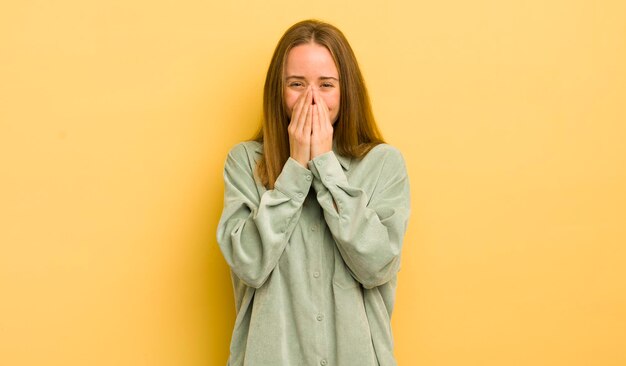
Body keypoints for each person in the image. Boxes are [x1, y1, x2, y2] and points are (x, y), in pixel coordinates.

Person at [216, 19, 410, 366]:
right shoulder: (244, 161)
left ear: (345, 90)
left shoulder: (384, 163)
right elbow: (249, 265)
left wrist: (326, 166)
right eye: (296, 84)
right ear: (279, 91)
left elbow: (378, 265)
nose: (312, 99)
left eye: (326, 84)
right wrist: (296, 168)